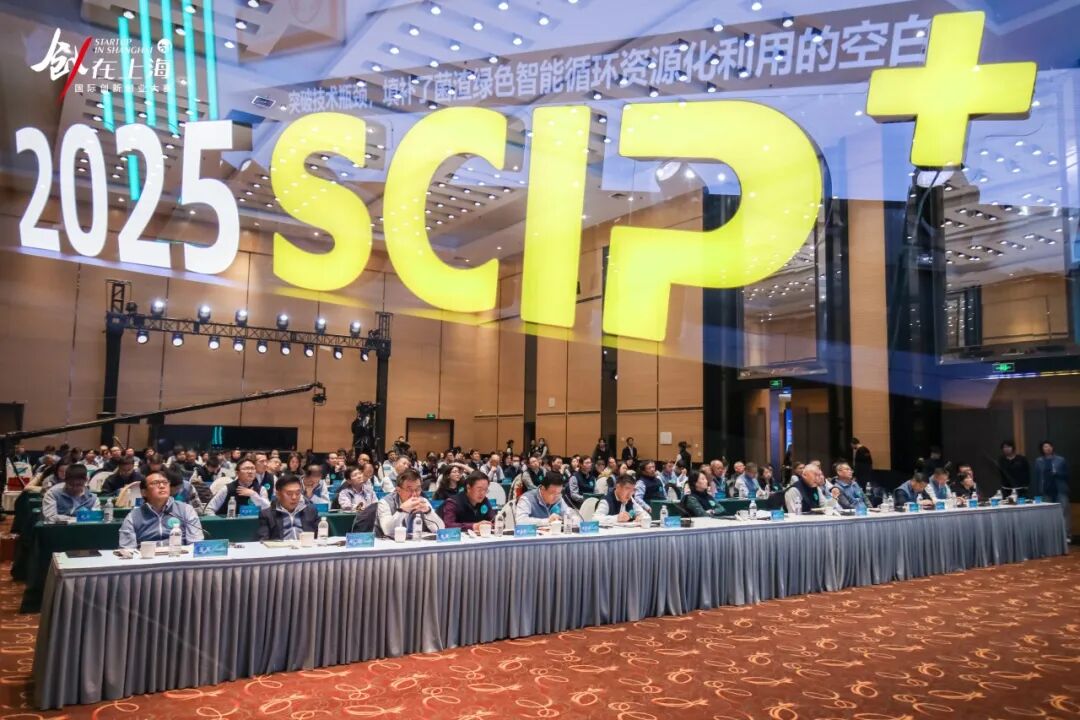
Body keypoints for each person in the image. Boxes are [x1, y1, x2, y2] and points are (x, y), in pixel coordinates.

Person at [119, 472, 205, 549]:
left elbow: (196, 543)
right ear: (144, 492)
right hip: (147, 558)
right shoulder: (133, 517)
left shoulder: (186, 510)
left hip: (178, 557)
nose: (162, 486)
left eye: (165, 482)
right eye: (155, 483)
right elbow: (127, 550)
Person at [376, 469, 444, 538]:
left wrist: (428, 512)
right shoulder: (385, 503)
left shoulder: (423, 501)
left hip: (418, 542)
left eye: (417, 489)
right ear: (398, 490)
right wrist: (402, 510)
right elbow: (388, 531)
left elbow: (441, 529)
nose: (414, 494)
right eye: (409, 490)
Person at [257, 475, 321, 541]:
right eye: (289, 494)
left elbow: (321, 536)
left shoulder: (311, 511)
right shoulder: (267, 514)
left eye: (297, 493)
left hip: (306, 546)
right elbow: (264, 540)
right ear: (278, 494)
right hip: (281, 547)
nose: (294, 497)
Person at [206, 458, 271, 515]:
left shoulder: (261, 489)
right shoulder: (227, 489)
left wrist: (253, 495)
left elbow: (268, 509)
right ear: (237, 473)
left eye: (252, 468)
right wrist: (218, 523)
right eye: (246, 468)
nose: (250, 471)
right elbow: (209, 509)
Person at [1033, 441, 1070, 541]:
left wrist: (1057, 473)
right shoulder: (1038, 461)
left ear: (1052, 448)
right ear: (1042, 449)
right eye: (1045, 447)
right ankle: (1049, 536)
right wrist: (1036, 493)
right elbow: (1037, 477)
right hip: (1045, 490)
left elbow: (1067, 475)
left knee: (1063, 513)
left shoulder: (1060, 460)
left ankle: (1066, 535)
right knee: (1047, 514)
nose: (1048, 448)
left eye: (1049, 446)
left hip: (1060, 489)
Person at [515, 471, 580, 527]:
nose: (556, 496)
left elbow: (568, 513)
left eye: (558, 493)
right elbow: (520, 521)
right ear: (543, 489)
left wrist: (573, 518)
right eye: (552, 493)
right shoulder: (527, 498)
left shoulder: (558, 498)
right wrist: (547, 521)